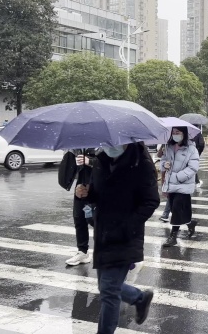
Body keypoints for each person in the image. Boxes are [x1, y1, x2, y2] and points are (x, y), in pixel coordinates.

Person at [74, 142, 157, 333]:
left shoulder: (140, 163)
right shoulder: (101, 161)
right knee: (107, 287)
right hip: (103, 234)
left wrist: (127, 226)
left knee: (109, 290)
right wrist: (85, 193)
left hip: (126, 236)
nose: (112, 145)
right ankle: (139, 298)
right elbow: (99, 194)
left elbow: (151, 200)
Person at [159, 127, 200, 246]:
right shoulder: (169, 147)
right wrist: (164, 165)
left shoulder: (191, 149)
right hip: (170, 184)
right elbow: (162, 161)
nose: (175, 135)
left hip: (183, 185)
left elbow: (193, 168)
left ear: (184, 134)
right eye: (173, 133)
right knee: (175, 210)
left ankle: (173, 236)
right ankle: (190, 223)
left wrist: (177, 177)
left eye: (178, 132)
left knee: (177, 208)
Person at [59, 148, 98, 266]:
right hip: (81, 186)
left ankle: (104, 252)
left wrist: (90, 161)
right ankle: (82, 251)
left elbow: (110, 163)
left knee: (93, 219)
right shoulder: (78, 144)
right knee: (79, 218)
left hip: (97, 186)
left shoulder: (103, 143)